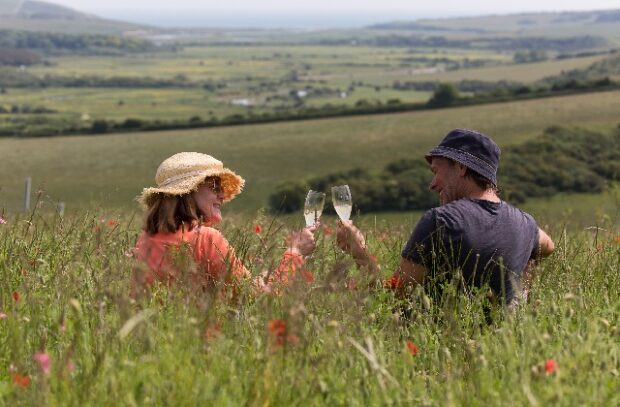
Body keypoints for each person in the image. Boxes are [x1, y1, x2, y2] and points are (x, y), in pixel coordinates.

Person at [336, 129, 555, 306]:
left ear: (461, 167)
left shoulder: (442, 221)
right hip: (502, 349)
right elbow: (548, 246)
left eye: (436, 172)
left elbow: (392, 300)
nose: (432, 185)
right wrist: (523, 290)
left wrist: (359, 252)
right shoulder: (525, 223)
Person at [132, 152, 316, 296]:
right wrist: (295, 252)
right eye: (214, 187)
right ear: (188, 192)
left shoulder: (144, 241)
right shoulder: (205, 238)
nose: (222, 195)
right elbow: (255, 298)